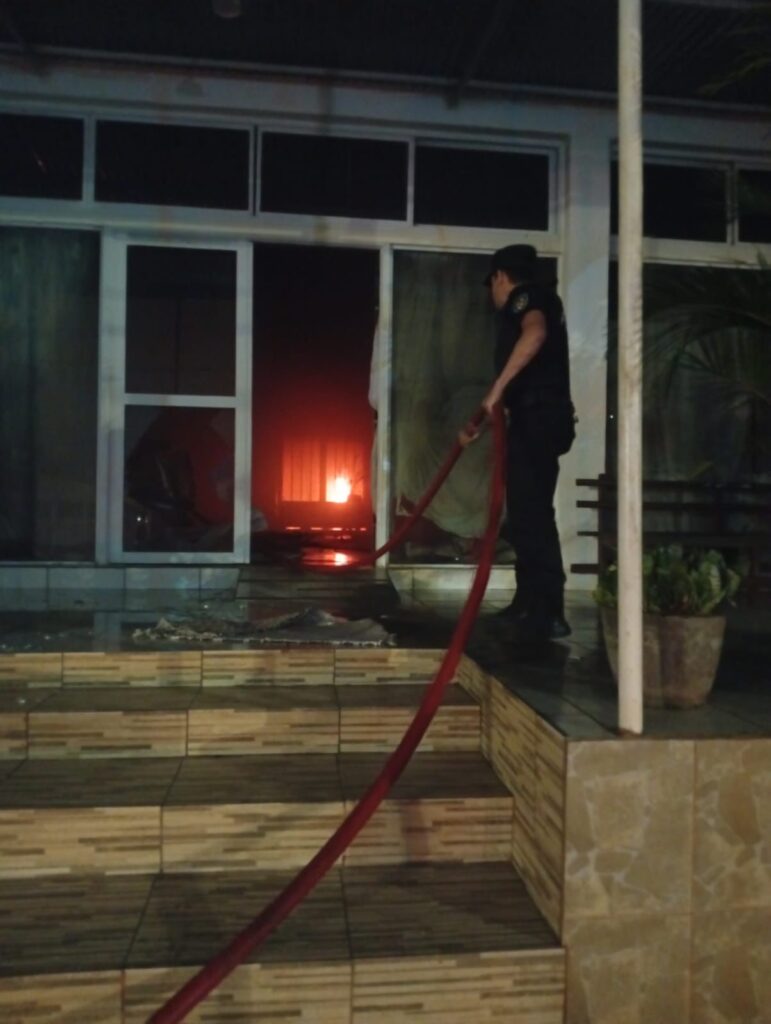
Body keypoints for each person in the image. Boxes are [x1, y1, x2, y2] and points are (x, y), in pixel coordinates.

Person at [461, 244, 575, 642]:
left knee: (533, 515)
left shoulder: (525, 299)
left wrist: (496, 391)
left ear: (500, 278)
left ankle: (548, 611)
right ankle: (528, 602)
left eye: (492, 283)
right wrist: (492, 411)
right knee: (525, 515)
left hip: (539, 419)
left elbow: (535, 333)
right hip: (534, 418)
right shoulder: (540, 299)